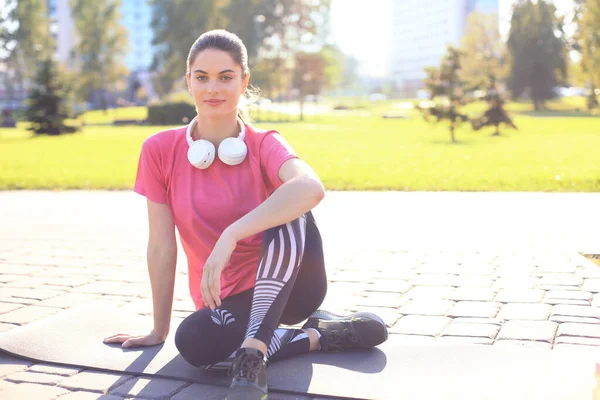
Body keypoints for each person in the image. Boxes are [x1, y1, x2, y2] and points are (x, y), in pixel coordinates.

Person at [103, 29, 388, 400]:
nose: (213, 89)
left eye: (226, 76)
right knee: (193, 344)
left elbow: (311, 188)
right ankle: (316, 337)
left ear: (244, 81)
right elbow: (160, 246)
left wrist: (232, 234)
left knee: (292, 206)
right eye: (202, 77)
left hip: (292, 288)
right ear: (189, 82)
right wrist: (158, 331)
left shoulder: (265, 142)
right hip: (227, 300)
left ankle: (252, 357)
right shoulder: (159, 150)